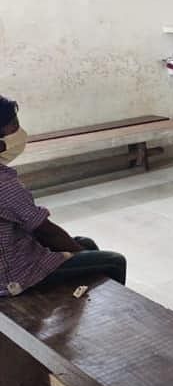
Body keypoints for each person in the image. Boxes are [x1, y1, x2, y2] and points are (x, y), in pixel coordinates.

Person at [0, 96, 125, 296]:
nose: (20, 132)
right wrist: (80, 254)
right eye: (14, 126)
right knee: (113, 261)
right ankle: (109, 314)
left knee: (87, 244)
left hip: (11, 256)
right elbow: (46, 232)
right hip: (13, 277)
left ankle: (81, 298)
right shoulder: (4, 185)